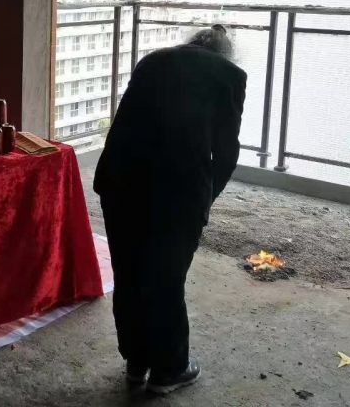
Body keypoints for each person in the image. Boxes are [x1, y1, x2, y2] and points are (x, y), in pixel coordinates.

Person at [93, 24, 246, 395]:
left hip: (119, 180)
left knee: (129, 274)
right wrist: (205, 198)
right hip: (176, 190)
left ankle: (136, 361)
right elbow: (226, 153)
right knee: (166, 278)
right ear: (225, 54)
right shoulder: (230, 75)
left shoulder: (152, 61)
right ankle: (169, 369)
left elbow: (126, 123)